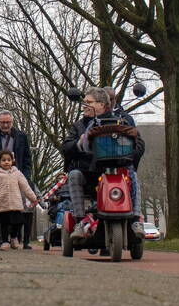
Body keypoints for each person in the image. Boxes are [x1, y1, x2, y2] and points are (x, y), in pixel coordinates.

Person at [61, 87, 144, 239]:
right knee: (74, 175)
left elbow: (138, 144)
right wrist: (79, 144)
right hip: (89, 173)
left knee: (133, 176)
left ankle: (135, 219)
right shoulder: (79, 126)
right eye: (84, 102)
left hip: (116, 171)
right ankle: (80, 220)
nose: (84, 105)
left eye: (88, 102)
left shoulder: (121, 122)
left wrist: (128, 154)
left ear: (101, 104)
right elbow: (66, 147)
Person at [0, 150, 38, 250]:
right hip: (2, 205)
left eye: (9, 160)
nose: (6, 162)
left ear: (12, 161)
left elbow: (25, 186)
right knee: (4, 224)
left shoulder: (17, 173)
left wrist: (33, 197)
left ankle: (14, 237)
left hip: (16, 204)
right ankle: (5, 241)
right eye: (3, 160)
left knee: (19, 222)